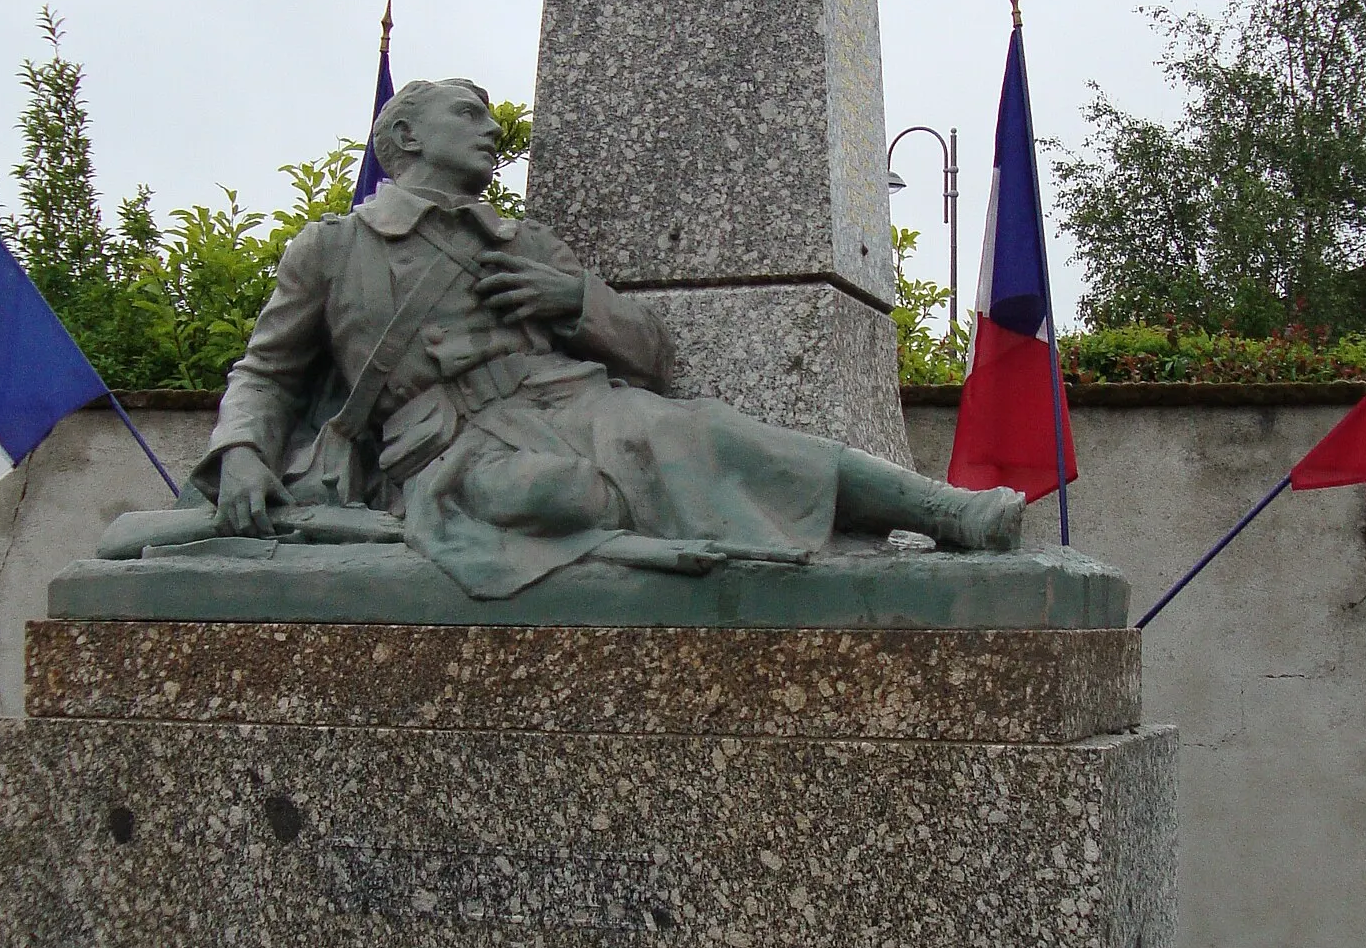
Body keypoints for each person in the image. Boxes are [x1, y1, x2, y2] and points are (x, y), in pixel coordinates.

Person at [194, 77, 1023, 600]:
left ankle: (948, 513)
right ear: (406, 137)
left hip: (573, 401)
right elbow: (265, 372)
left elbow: (654, 356)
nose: (493, 130)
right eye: (468, 113)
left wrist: (576, 299)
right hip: (450, 450)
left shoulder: (520, 241)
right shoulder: (334, 249)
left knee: (714, 434)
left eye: (492, 116)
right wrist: (241, 452)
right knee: (561, 497)